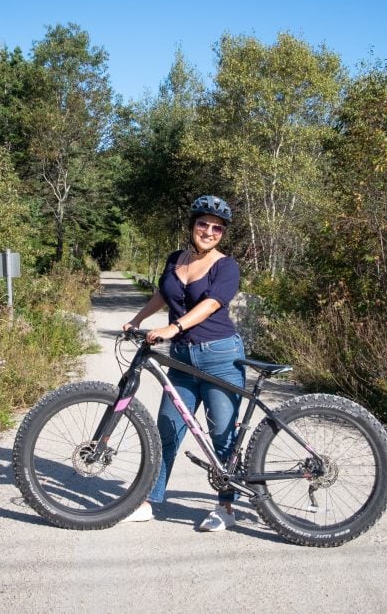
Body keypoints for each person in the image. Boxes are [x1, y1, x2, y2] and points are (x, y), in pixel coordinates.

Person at [122, 194, 245, 532]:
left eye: (217, 228)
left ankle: (226, 508)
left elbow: (211, 305)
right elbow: (163, 294)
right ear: (192, 225)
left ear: (222, 233)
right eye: (203, 224)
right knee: (167, 427)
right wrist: (137, 320)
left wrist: (172, 327)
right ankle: (148, 501)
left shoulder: (226, 266)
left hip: (221, 355)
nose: (209, 231)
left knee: (221, 433)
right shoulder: (176, 258)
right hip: (182, 358)